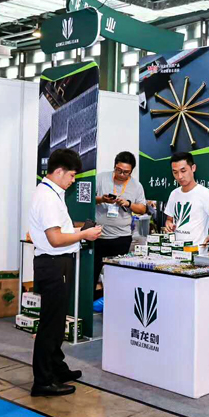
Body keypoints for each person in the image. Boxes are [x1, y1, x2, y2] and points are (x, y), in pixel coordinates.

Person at [28, 149, 102, 397]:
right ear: (59, 171)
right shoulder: (47, 198)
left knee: (58, 321)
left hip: (58, 263)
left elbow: (61, 231)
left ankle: (56, 368)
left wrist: (82, 231)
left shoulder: (52, 194)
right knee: (51, 324)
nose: (73, 181)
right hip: (53, 263)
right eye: (71, 175)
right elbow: (56, 238)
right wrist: (84, 235)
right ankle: (43, 381)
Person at [94, 151, 147, 296]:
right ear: (114, 166)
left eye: (126, 172)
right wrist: (102, 199)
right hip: (98, 235)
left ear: (131, 171)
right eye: (119, 170)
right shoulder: (101, 178)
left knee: (117, 277)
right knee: (92, 275)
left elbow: (142, 209)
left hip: (121, 238)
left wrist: (128, 203)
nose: (122, 174)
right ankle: (90, 304)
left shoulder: (136, 186)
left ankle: (116, 302)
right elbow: (88, 199)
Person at [164, 152, 209, 249]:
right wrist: (168, 224)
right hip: (176, 250)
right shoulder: (174, 194)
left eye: (183, 171)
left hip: (197, 251)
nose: (180, 176)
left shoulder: (205, 193)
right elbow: (169, 219)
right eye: (175, 172)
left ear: (193, 168)